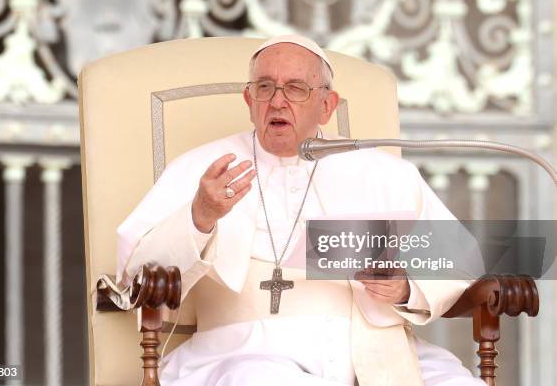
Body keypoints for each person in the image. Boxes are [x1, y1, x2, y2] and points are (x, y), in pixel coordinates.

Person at [116, 34, 485, 385]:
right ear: (249, 100)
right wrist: (200, 217)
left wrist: (406, 287)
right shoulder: (201, 169)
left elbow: (460, 258)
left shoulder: (382, 172)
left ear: (327, 105)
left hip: (375, 350)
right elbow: (136, 270)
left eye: (295, 88)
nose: (277, 102)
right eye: (264, 87)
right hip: (245, 353)